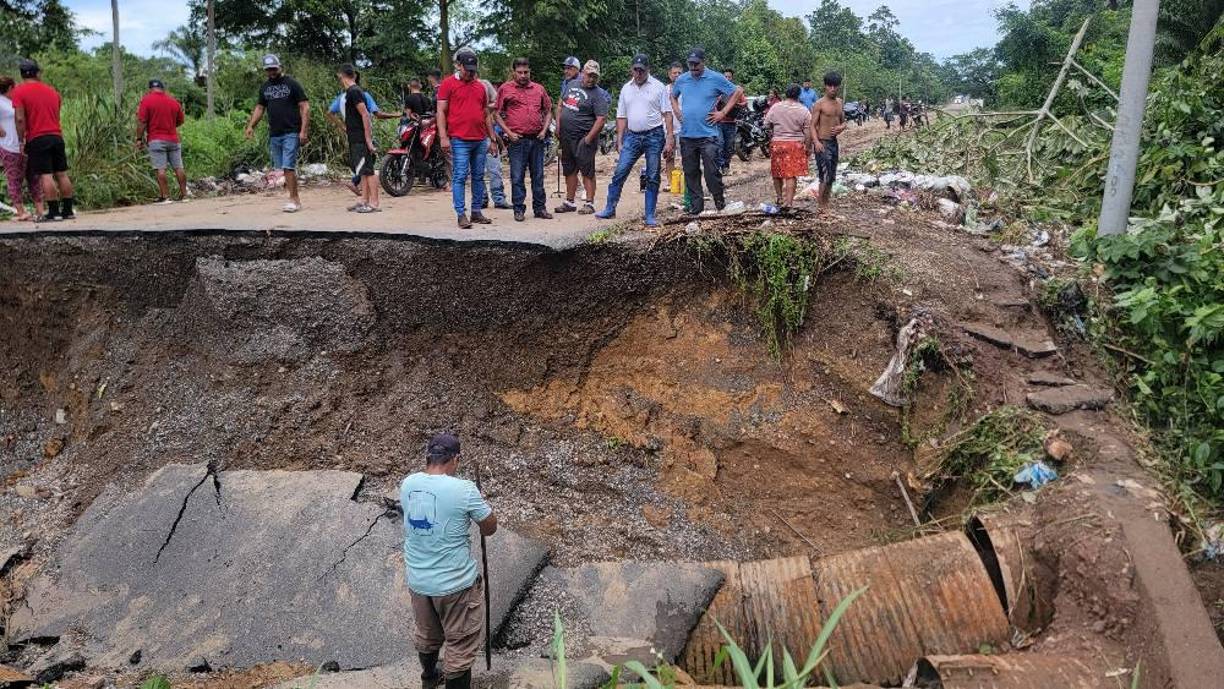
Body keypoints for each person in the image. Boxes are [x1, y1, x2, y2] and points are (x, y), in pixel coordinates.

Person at [401, 433, 497, 689]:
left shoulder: (408, 484)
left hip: (419, 581)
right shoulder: (464, 489)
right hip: (455, 584)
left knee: (427, 634)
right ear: (455, 459)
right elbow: (489, 527)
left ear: (428, 457)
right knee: (460, 644)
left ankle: (429, 678)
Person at [595, 54, 672, 226]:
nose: (638, 74)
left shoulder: (658, 87)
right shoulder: (626, 89)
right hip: (633, 135)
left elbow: (667, 114)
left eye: (641, 70)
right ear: (632, 69)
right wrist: (619, 139)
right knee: (620, 171)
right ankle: (610, 208)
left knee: (652, 175)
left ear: (648, 70)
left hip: (654, 134)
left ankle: (650, 214)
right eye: (636, 70)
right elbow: (621, 116)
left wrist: (669, 139)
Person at [670, 48, 743, 215]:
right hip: (687, 134)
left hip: (708, 135)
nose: (693, 67)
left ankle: (719, 202)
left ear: (703, 62)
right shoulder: (682, 79)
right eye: (690, 64)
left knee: (712, 171)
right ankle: (697, 208)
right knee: (691, 172)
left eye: (696, 64)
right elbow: (673, 96)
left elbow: (737, 91)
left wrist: (723, 113)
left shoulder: (715, 78)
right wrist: (677, 111)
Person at [437, 49, 496, 228]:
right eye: (467, 69)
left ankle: (476, 211)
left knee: (478, 176)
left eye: (473, 70)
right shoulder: (448, 84)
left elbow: (486, 114)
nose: (470, 73)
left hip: (479, 138)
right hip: (459, 139)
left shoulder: (480, 87)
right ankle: (461, 214)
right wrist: (443, 137)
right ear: (458, 66)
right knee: (460, 176)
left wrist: (492, 139)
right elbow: (441, 111)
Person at [244, 54, 309, 213]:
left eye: (273, 68)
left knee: (288, 167)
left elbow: (305, 106)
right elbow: (260, 107)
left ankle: (294, 200)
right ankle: (292, 197)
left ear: (279, 67)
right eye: (268, 70)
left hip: (291, 131)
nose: (271, 72)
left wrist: (303, 131)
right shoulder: (265, 87)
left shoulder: (292, 84)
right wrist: (251, 126)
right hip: (275, 134)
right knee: (281, 168)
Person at [11, 59, 74, 222]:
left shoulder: (19, 91)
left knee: (46, 175)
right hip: (56, 136)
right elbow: (57, 112)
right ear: (37, 73)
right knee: (62, 173)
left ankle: (53, 212)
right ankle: (68, 210)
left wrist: (21, 139)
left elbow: (19, 119)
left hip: (38, 137)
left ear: (22, 74)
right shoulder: (52, 91)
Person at [494, 57, 553, 222]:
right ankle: (518, 209)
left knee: (538, 176)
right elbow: (496, 113)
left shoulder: (539, 89)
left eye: (526, 72)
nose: (523, 75)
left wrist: (544, 130)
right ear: (514, 72)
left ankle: (540, 208)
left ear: (530, 71)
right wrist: (508, 132)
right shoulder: (505, 89)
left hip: (537, 139)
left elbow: (548, 110)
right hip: (517, 140)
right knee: (517, 176)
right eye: (519, 72)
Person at [554, 60, 609, 215]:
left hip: (583, 137)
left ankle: (589, 203)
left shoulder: (598, 94)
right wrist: (558, 125)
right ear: (583, 72)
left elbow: (601, 119)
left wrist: (589, 138)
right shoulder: (571, 85)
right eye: (589, 75)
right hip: (566, 135)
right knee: (569, 169)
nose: (591, 79)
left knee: (587, 170)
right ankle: (569, 202)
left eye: (594, 76)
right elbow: (561, 105)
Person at [135, 79, 188, 204]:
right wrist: (170, 125)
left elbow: (142, 121)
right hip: (174, 139)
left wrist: (139, 139)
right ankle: (184, 195)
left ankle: (166, 196)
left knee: (160, 168)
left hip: (156, 139)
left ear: (150, 89)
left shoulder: (146, 100)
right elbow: (181, 121)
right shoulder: (173, 101)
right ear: (162, 88)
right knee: (178, 167)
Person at [336, 64, 380, 213]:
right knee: (362, 170)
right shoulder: (351, 92)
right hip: (355, 137)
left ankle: (374, 203)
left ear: (341, 76)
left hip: (360, 138)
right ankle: (364, 199)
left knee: (368, 170)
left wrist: (368, 139)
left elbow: (365, 114)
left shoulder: (354, 91)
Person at [0, 75, 42, 221]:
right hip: (9, 146)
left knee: (34, 177)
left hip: (24, 144)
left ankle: (40, 210)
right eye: (15, 87)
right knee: (14, 178)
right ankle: (20, 211)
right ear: (10, 88)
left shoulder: (12, 101)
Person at [763, 83, 811, 208]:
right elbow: (808, 131)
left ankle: (779, 198)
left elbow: (766, 124)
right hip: (795, 145)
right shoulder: (803, 110)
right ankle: (789, 203)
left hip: (777, 144)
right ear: (799, 95)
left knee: (777, 172)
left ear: (786, 93)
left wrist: (774, 133)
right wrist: (808, 147)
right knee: (791, 174)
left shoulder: (776, 107)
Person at [810, 71, 846, 214]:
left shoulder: (840, 102)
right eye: (829, 86)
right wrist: (816, 142)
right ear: (825, 86)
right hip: (822, 142)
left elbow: (843, 122)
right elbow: (812, 125)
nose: (832, 89)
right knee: (824, 176)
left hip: (833, 142)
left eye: (835, 86)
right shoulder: (819, 104)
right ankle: (821, 207)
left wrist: (841, 128)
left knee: (831, 176)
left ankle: (826, 204)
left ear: (838, 87)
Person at [715, 68, 745, 174]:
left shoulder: (736, 90)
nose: (727, 78)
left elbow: (744, 103)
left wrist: (735, 104)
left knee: (728, 146)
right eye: (725, 77)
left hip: (731, 122)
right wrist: (718, 100)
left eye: (729, 77)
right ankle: (720, 165)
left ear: (732, 78)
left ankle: (726, 166)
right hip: (719, 122)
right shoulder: (718, 90)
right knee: (720, 143)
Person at [663, 62, 683, 193]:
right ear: (669, 75)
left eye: (679, 73)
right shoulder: (664, 90)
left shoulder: (687, 89)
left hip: (684, 128)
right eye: (674, 73)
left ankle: (685, 182)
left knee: (686, 157)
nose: (677, 75)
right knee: (669, 156)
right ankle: (671, 182)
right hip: (668, 128)